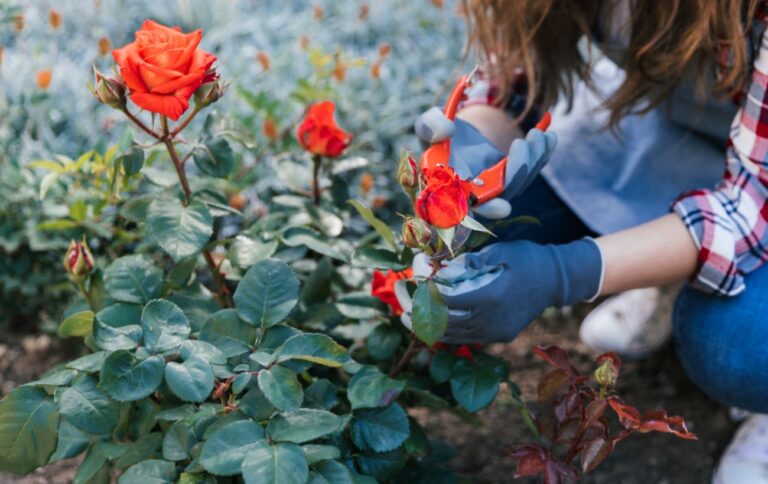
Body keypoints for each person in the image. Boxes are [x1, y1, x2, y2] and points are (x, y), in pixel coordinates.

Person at [407, 1, 768, 481]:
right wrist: (472, 146)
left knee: (737, 347)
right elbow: (517, 70)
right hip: (687, 129)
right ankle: (667, 272)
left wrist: (562, 273)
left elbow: (752, 202)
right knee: (506, 217)